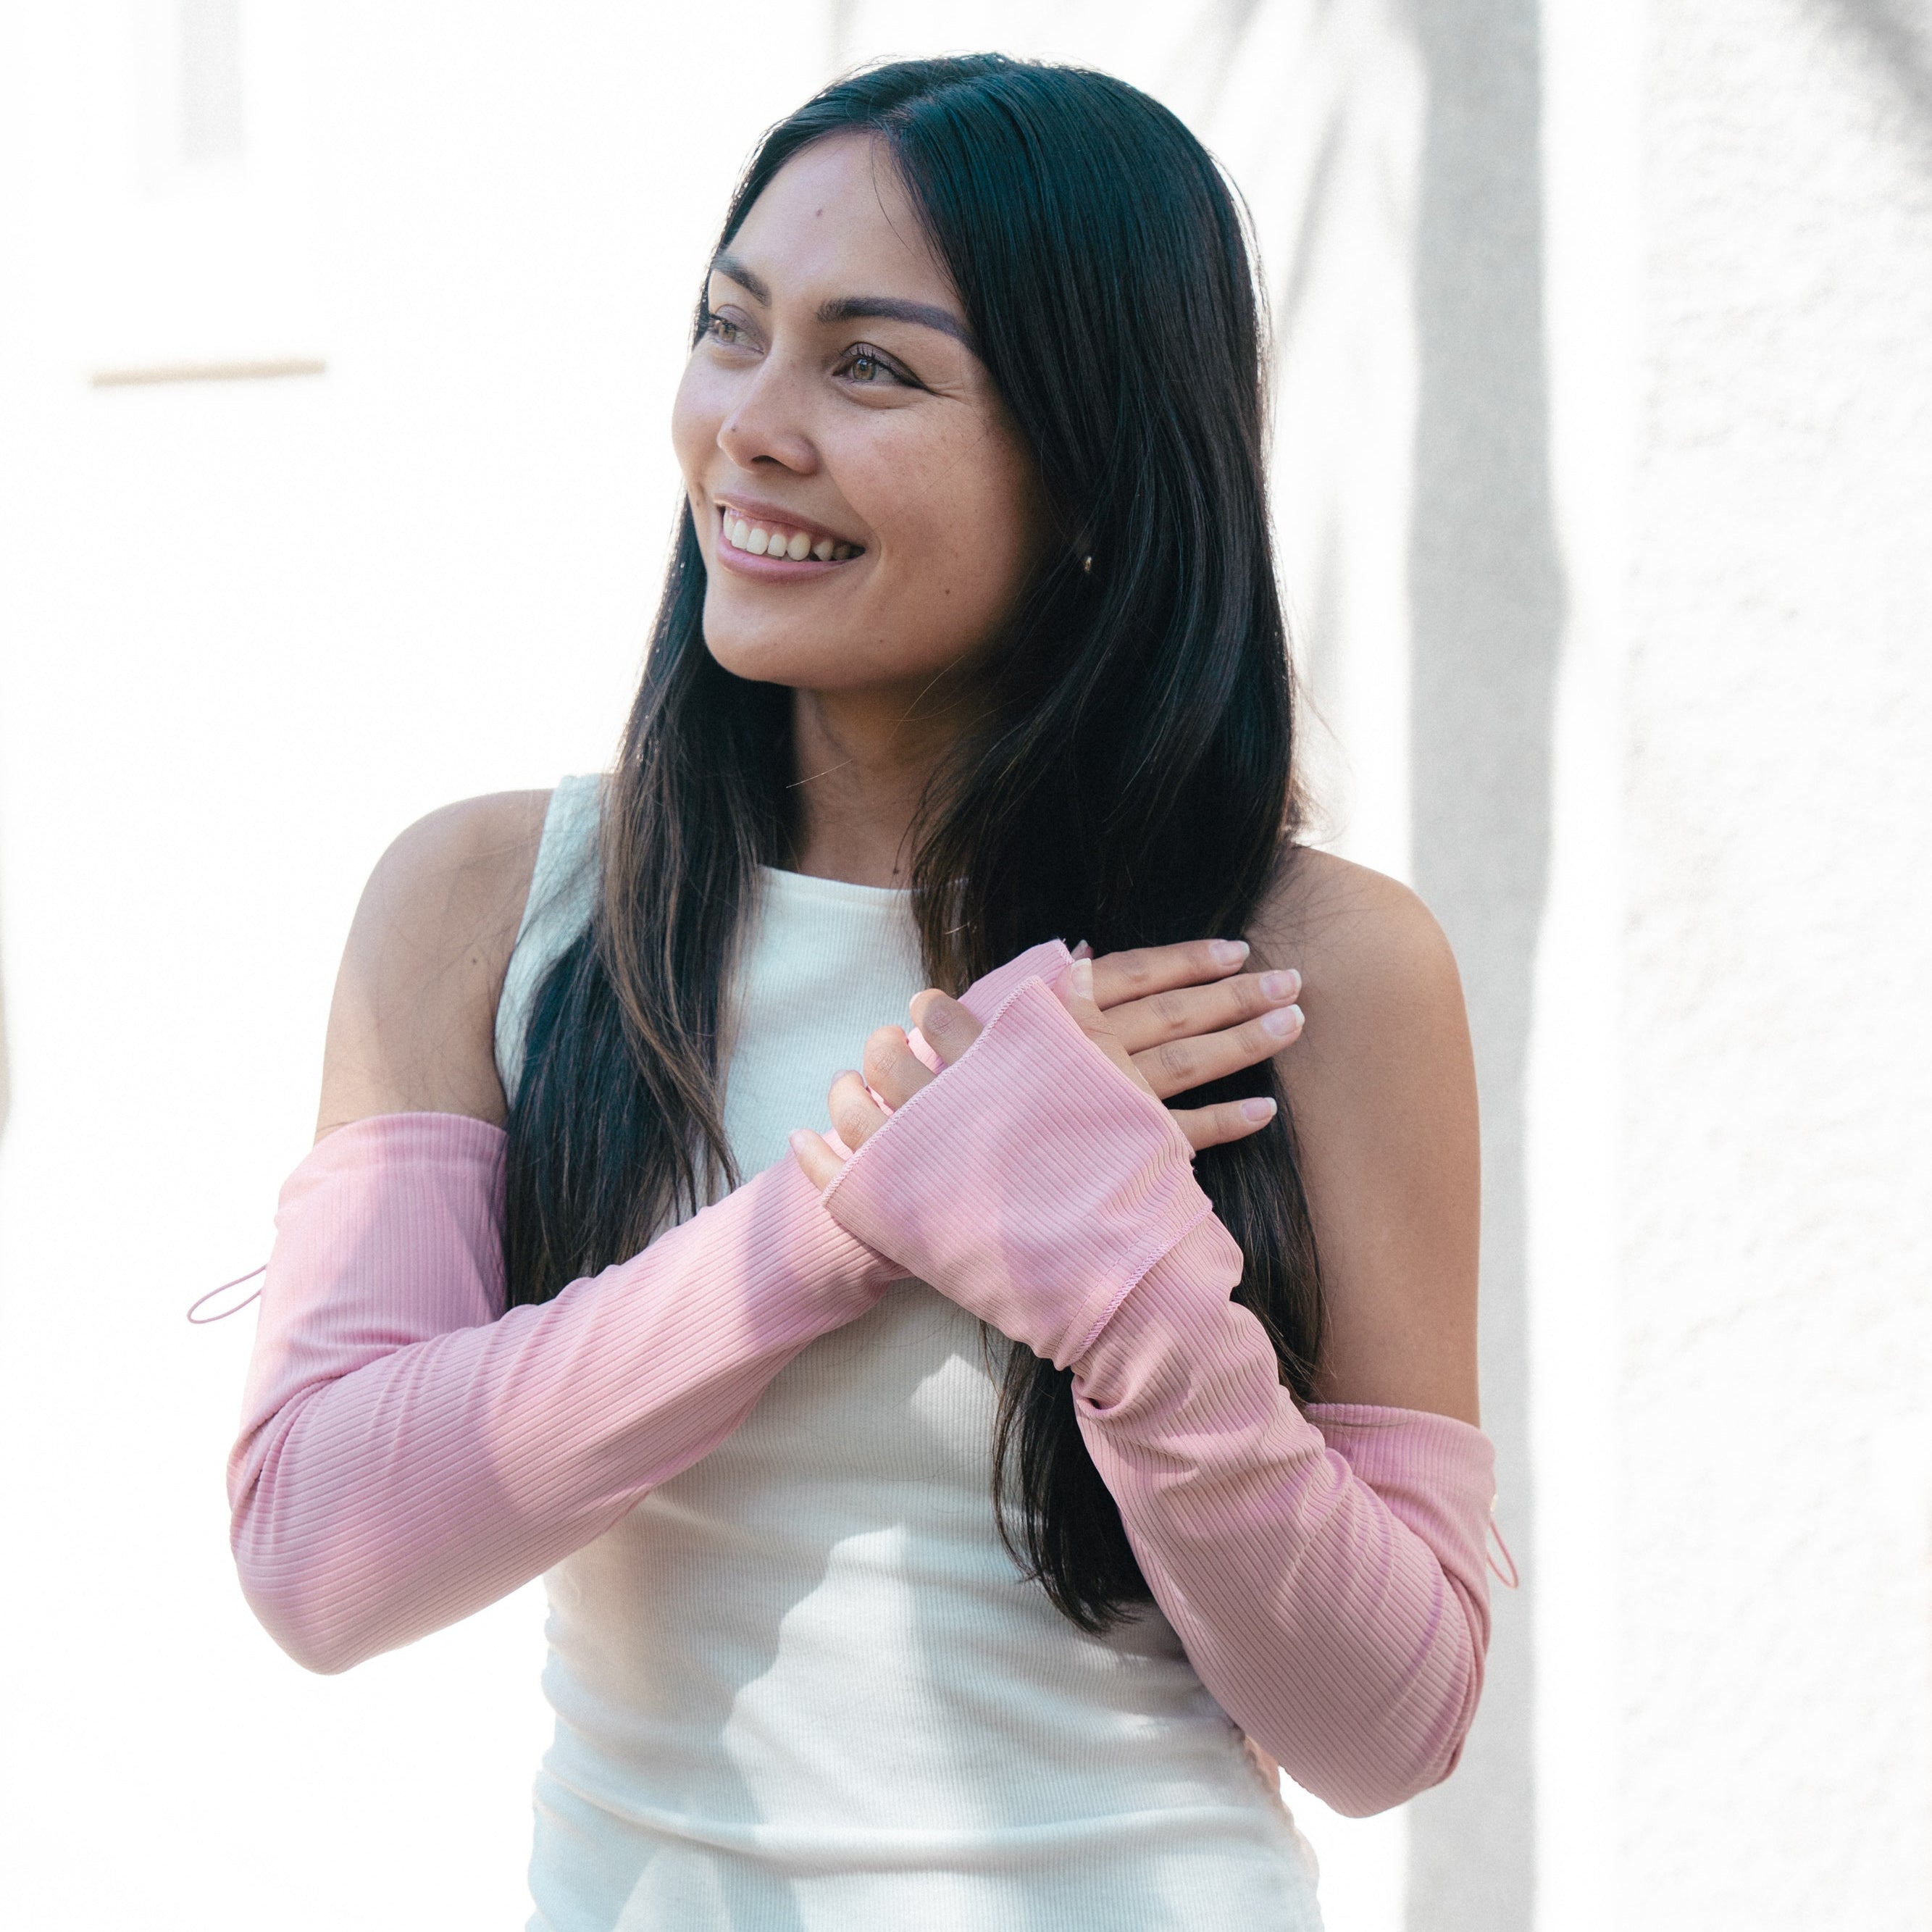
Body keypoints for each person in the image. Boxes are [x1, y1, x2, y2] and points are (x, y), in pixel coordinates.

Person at [228, 55, 1493, 1932]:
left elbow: (1389, 1725)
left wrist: (1126, 1288)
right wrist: (829, 1226)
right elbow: (322, 1553)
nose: (751, 424)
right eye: (729, 333)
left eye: (871, 366)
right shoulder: (490, 908)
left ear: (1092, 470)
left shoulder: (1304, 969)